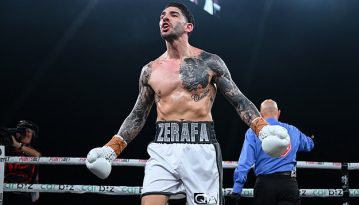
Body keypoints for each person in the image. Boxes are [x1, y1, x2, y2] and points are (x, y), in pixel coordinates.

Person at [86, 2, 290, 205]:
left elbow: (238, 100)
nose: (164, 18)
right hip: (162, 148)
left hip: (201, 149)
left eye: (173, 15)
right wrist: (111, 149)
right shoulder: (150, 70)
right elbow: (138, 115)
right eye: (162, 16)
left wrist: (263, 129)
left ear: (188, 26)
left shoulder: (210, 62)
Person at [231, 99, 314, 205]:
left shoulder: (253, 132)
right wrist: (311, 138)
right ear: (278, 113)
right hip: (288, 184)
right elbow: (309, 145)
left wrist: (237, 190)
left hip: (265, 186)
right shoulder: (292, 130)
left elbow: (245, 161)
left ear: (260, 115)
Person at [4, 120, 42, 204]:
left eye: (29, 132)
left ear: (33, 136)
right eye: (23, 131)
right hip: (5, 192)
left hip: (24, 195)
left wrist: (17, 144)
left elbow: (38, 156)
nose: (26, 134)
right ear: (17, 133)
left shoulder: (33, 151)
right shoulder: (7, 150)